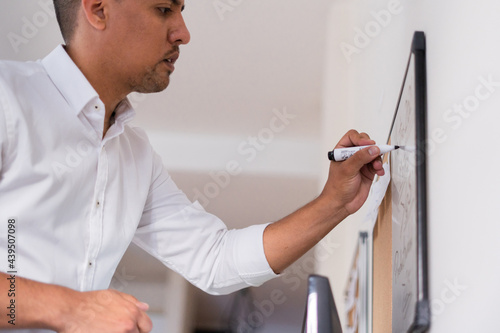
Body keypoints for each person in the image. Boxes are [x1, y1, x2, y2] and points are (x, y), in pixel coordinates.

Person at [0, 0, 385, 332]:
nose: (183, 33)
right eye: (163, 9)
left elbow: (217, 260)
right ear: (99, 10)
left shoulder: (134, 155)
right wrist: (74, 309)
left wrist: (335, 201)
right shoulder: (7, 97)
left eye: (181, 11)